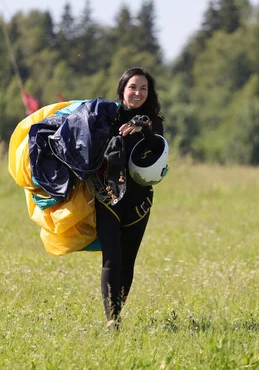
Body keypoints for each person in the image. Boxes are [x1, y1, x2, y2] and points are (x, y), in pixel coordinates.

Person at [96, 67, 165, 330]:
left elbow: (157, 145)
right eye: (133, 87)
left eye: (143, 88)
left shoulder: (153, 122)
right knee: (112, 257)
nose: (138, 92)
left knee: (127, 260)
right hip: (108, 197)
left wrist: (142, 127)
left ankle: (118, 312)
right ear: (123, 89)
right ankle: (111, 319)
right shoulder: (107, 117)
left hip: (139, 202)